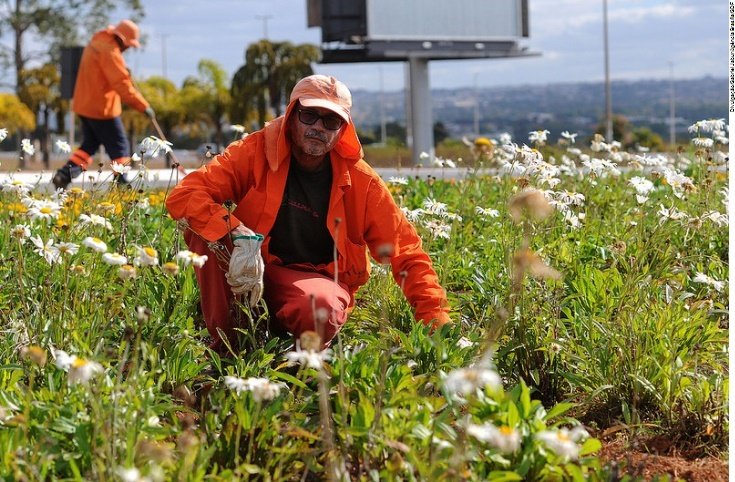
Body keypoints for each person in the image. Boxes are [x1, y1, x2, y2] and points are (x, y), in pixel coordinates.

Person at [166, 74, 450, 350]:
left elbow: (408, 254)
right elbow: (185, 195)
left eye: (331, 120)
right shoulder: (253, 152)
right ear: (291, 116)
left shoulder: (363, 183)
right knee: (206, 230)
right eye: (309, 115)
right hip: (249, 269)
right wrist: (233, 229)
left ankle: (299, 351)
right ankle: (230, 347)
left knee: (321, 309)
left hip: (314, 283)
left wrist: (436, 327)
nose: (318, 126)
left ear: (343, 129)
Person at [52, 19, 155, 190]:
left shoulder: (97, 43)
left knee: (89, 145)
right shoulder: (111, 52)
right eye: (128, 44)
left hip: (84, 106)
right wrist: (143, 106)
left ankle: (64, 175)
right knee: (119, 145)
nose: (128, 48)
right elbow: (121, 84)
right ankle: (121, 184)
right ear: (121, 39)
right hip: (102, 109)